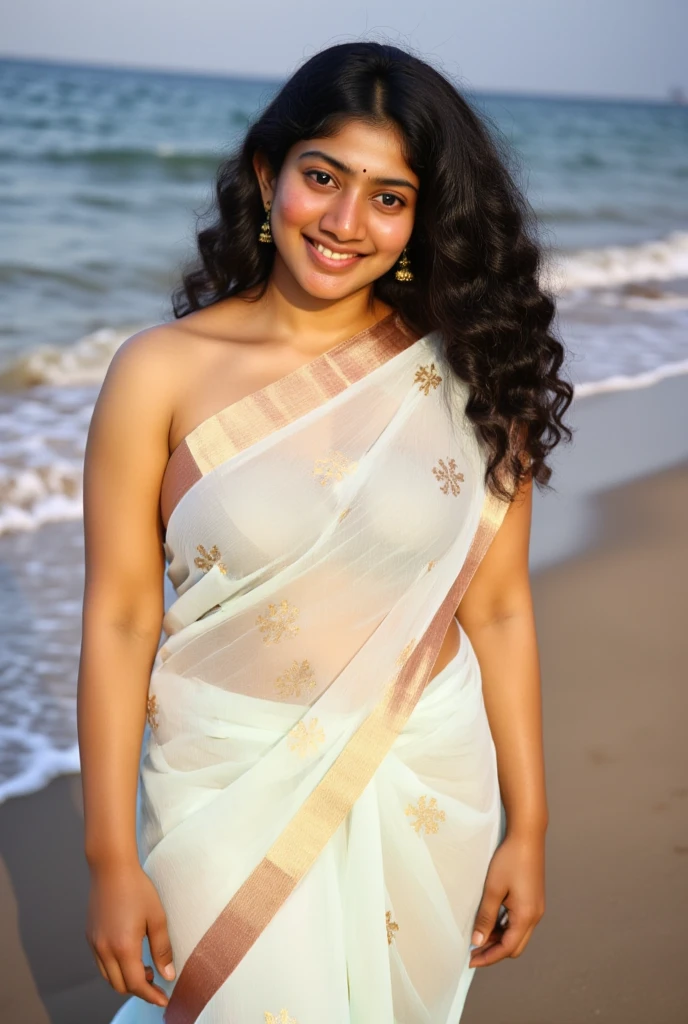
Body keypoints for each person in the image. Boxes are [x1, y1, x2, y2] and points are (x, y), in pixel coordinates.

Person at [77, 41, 573, 1024]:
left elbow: (503, 610)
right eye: (322, 178)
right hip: (223, 778)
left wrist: (532, 825)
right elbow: (123, 617)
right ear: (270, 174)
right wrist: (109, 857)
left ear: (422, 217)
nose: (347, 223)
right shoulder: (159, 372)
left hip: (421, 771)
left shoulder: (467, 368)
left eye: (388, 197)